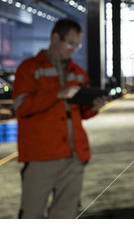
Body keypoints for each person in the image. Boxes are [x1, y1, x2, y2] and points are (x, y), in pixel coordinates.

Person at [13, 19, 107, 218]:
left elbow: (81, 113)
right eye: (70, 43)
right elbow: (21, 107)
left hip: (73, 157)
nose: (73, 49)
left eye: (77, 45)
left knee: (66, 215)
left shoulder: (78, 73)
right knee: (31, 215)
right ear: (56, 38)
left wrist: (94, 107)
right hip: (41, 158)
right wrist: (58, 94)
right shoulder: (29, 69)